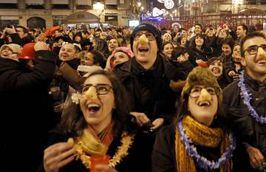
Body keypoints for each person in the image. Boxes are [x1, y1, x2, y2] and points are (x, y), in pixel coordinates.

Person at [41, 70, 145, 172]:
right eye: (86, 89)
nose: (91, 95)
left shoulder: (137, 141)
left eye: (102, 89)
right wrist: (45, 169)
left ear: (115, 101)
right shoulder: (61, 137)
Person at [223, 32, 266, 171]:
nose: (262, 53)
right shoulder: (228, 95)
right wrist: (245, 149)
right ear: (242, 60)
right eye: (252, 50)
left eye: (265, 48)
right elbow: (224, 135)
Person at [115, 23, 177, 171]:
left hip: (164, 145)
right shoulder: (118, 75)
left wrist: (165, 119)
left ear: (158, 45)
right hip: (128, 146)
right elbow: (109, 109)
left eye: (149, 36)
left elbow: (183, 108)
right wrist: (128, 116)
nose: (142, 40)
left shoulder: (174, 73)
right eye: (137, 36)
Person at [152, 67, 235, 172]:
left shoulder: (230, 137)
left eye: (210, 90)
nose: (205, 95)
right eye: (196, 90)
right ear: (186, 104)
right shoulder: (167, 137)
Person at [0, 42, 58, 171]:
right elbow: (39, 78)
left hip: (28, 134)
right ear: (5, 53)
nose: (31, 64)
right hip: (19, 139)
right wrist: (44, 54)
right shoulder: (5, 74)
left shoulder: (14, 70)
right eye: (20, 53)